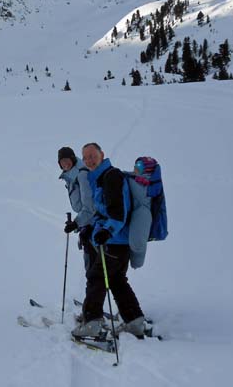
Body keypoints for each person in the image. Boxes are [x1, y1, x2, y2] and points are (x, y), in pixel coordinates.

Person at [72, 143, 146, 338]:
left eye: (92, 156)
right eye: (85, 157)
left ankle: (92, 322)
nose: (89, 160)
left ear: (101, 155)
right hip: (119, 242)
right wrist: (90, 227)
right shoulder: (101, 177)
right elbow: (103, 211)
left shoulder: (111, 176)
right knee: (117, 280)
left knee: (96, 278)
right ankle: (135, 321)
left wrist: (107, 231)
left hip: (114, 241)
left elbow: (118, 212)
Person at [58, 146, 96, 273]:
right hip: (87, 225)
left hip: (94, 226)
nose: (65, 163)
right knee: (91, 268)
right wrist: (77, 225)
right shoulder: (72, 176)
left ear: (73, 159)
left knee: (93, 270)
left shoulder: (82, 174)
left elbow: (89, 208)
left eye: (67, 160)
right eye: (61, 162)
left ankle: (93, 292)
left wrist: (76, 223)